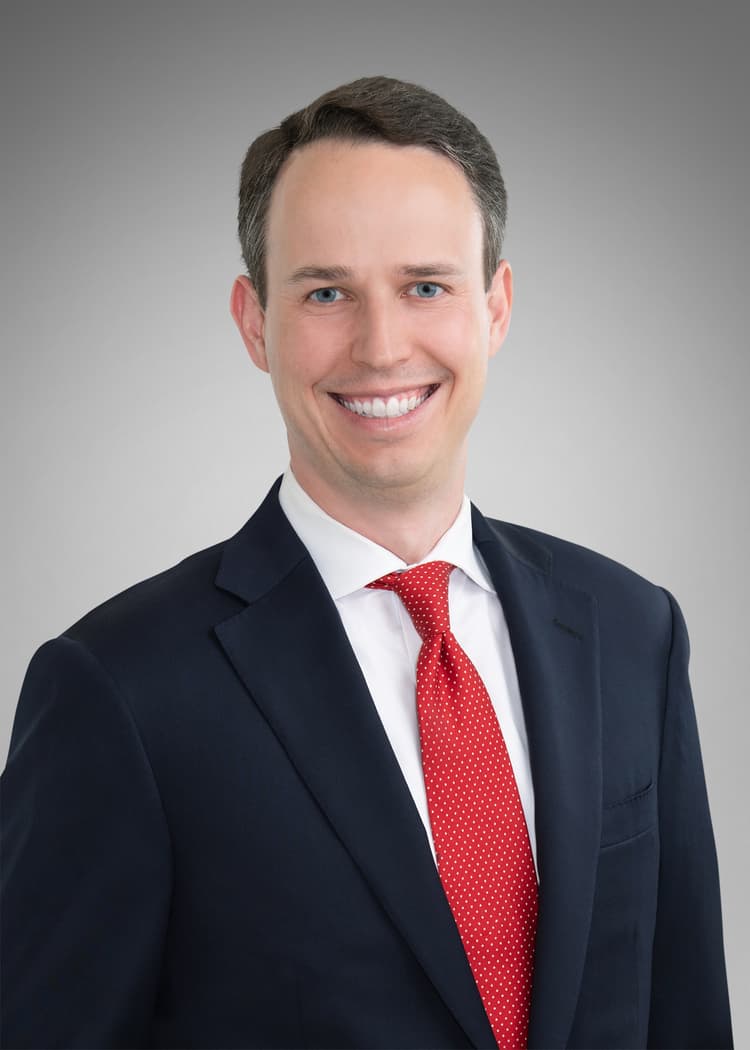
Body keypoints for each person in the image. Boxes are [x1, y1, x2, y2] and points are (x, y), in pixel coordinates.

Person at [0, 75, 732, 1050]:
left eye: (426, 286)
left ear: (496, 308)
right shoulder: (121, 691)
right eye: (326, 293)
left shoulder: (634, 633)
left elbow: (687, 1016)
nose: (382, 347)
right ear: (254, 322)